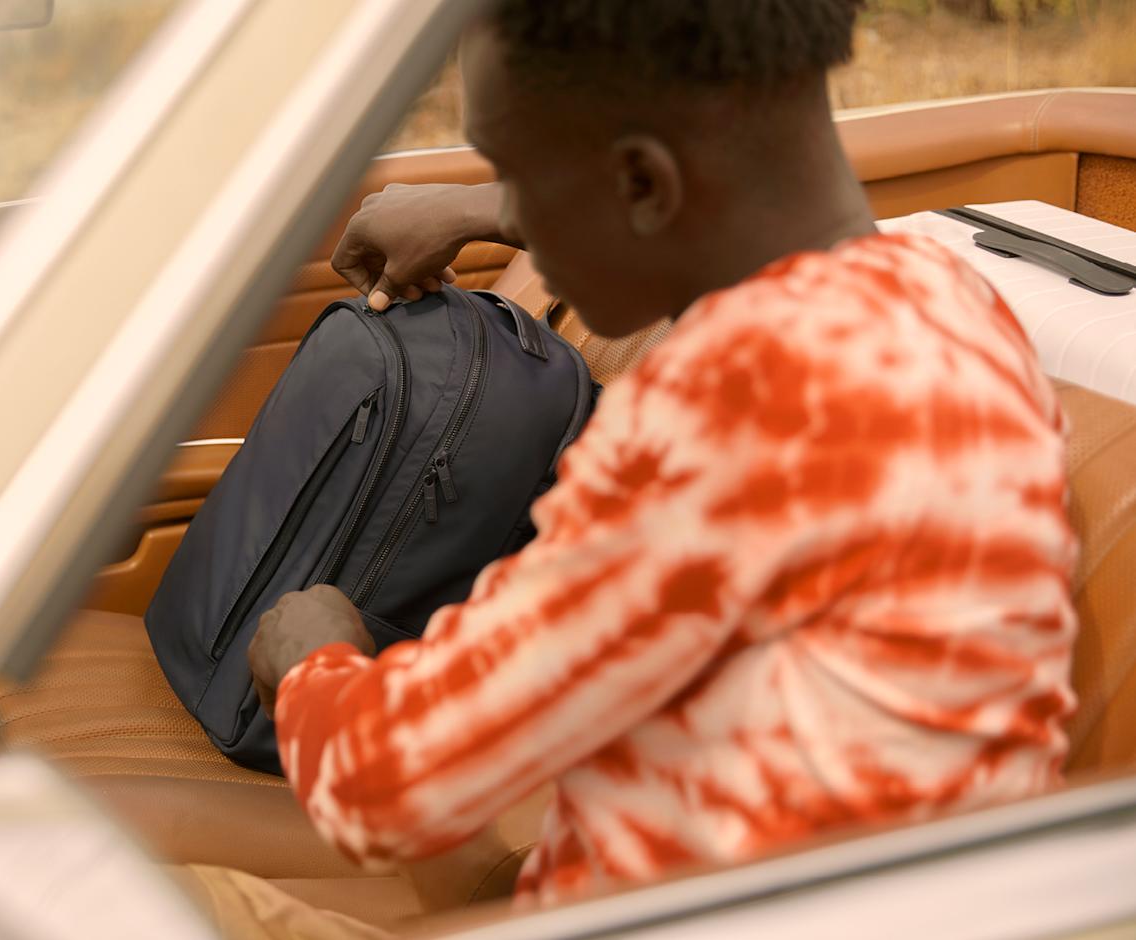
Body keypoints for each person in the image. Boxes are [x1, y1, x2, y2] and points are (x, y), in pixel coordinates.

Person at [234, 0, 1078, 928]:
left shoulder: (735, 408)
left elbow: (384, 787)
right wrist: (491, 207)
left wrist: (312, 655)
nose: (511, 209)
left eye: (514, 172)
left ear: (641, 182)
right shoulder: (950, 301)